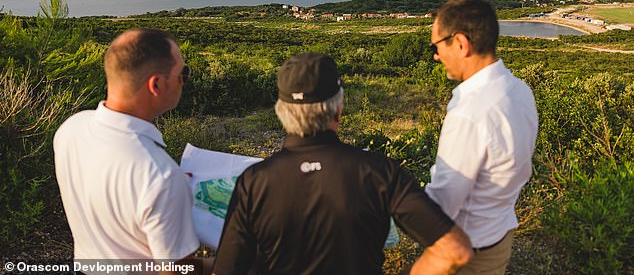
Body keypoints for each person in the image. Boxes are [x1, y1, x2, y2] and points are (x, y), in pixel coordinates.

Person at [213, 53, 473, 275]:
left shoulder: (254, 182)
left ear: (281, 112)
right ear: (338, 109)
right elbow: (454, 250)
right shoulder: (380, 173)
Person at [54, 28, 199, 266]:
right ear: (157, 85)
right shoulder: (160, 176)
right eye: (183, 73)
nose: (185, 80)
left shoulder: (70, 129)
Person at [424, 0, 538, 274]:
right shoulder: (519, 90)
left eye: (437, 46)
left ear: (461, 44)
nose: (437, 55)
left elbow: (444, 202)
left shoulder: (470, 113)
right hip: (500, 237)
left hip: (466, 249)